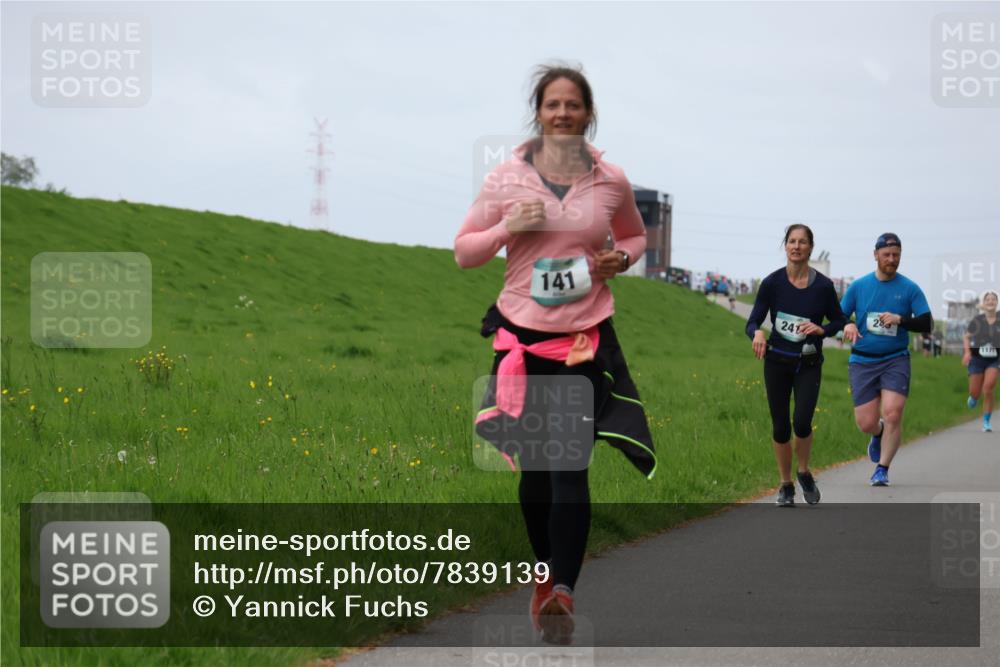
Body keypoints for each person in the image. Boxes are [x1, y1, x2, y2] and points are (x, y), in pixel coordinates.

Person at [454, 63, 655, 645]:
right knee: (537, 475)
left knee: (569, 467)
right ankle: (544, 577)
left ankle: (563, 592)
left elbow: (635, 235)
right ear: (538, 113)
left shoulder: (610, 179)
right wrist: (506, 228)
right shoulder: (507, 176)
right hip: (522, 342)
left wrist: (622, 258)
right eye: (552, 104)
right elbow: (464, 251)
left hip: (581, 344)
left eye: (573, 104)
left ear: (588, 113)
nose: (563, 113)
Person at [746, 225, 846, 506]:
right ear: (785, 246)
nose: (796, 246)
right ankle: (785, 484)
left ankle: (803, 472)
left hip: (808, 363)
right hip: (776, 361)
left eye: (802, 242)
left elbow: (839, 320)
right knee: (780, 427)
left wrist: (822, 329)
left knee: (801, 423)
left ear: (811, 248)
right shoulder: (772, 283)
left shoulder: (823, 287)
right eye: (792, 241)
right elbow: (753, 321)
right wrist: (757, 333)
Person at [841, 233, 932, 486]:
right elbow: (838, 315)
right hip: (862, 360)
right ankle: (878, 432)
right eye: (887, 255)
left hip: (895, 359)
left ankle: (882, 469)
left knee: (893, 412)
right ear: (876, 255)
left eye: (896, 255)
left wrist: (900, 319)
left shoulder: (910, 288)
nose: (892, 259)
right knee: (866, 422)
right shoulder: (859, 286)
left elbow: (927, 323)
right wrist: (847, 324)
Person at [963, 290, 999, 432]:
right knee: (975, 392)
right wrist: (967, 352)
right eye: (987, 299)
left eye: (993, 299)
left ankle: (986, 422)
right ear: (984, 303)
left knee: (988, 388)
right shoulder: (977, 320)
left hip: (995, 360)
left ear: (997, 302)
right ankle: (974, 397)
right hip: (977, 359)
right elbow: (966, 337)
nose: (991, 301)